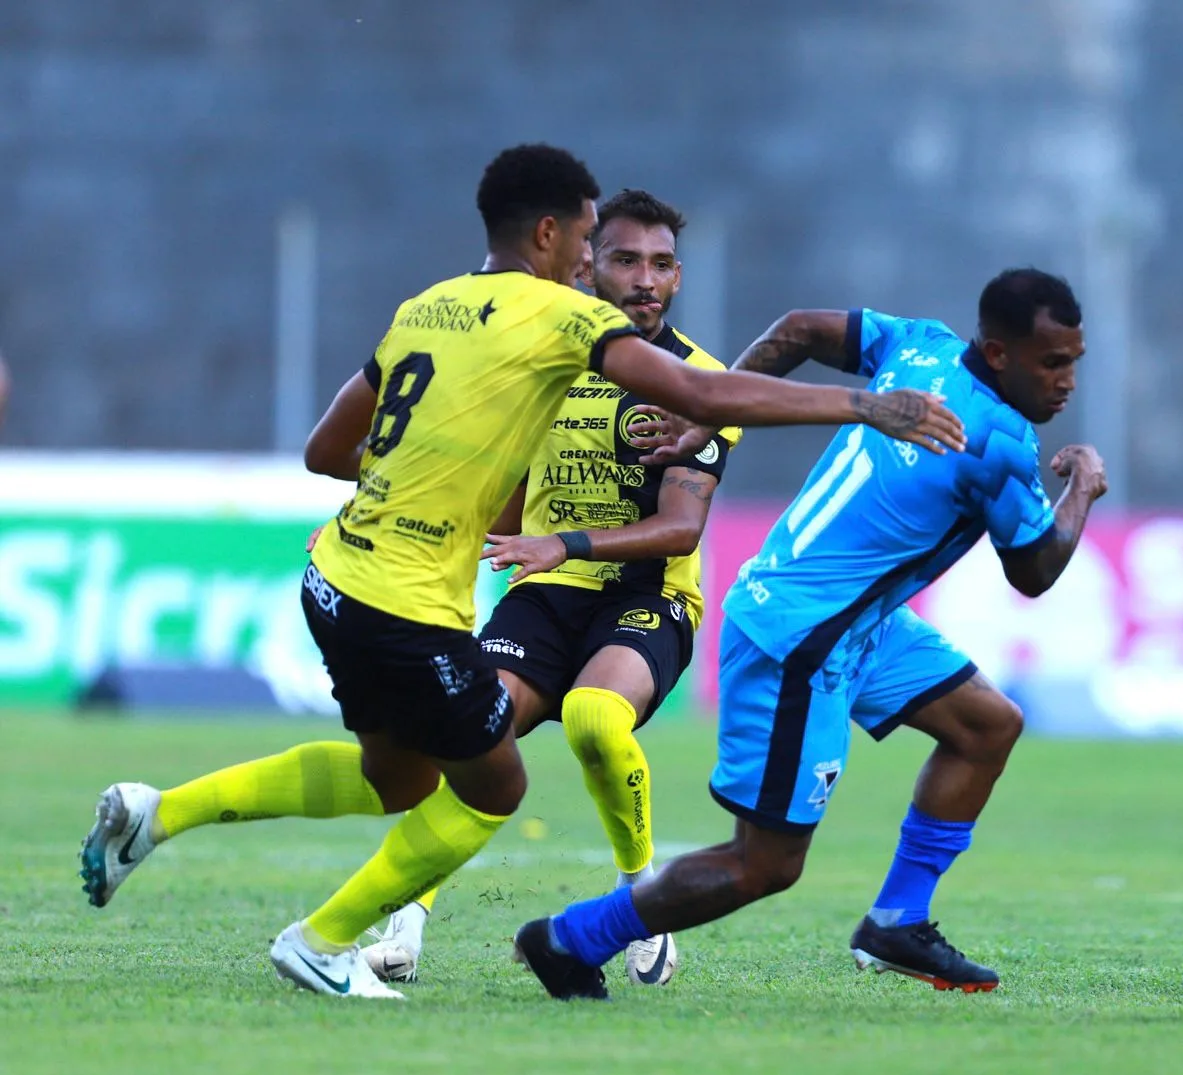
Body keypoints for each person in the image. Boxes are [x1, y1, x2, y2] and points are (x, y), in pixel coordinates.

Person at [77, 143, 963, 1001]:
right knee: (495, 783)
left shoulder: (427, 306)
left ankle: (158, 813)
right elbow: (704, 397)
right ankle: (324, 941)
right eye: (595, 247)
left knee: (402, 776)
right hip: (411, 603)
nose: (606, 269)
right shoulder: (569, 323)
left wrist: (440, 484)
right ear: (554, 238)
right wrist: (862, 403)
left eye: (652, 261)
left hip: (337, 573)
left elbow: (326, 450)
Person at [512, 268, 1109, 1001]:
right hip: (802, 638)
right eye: (1052, 362)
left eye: (1074, 360)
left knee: (987, 725)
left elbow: (798, 326)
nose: (1068, 381)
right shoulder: (1000, 445)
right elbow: (1037, 572)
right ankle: (569, 939)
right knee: (765, 865)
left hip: (855, 622)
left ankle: (898, 921)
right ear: (995, 353)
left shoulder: (920, 345)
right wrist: (1082, 484)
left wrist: (709, 420)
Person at [360, 188, 735, 988]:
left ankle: (643, 903)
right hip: (544, 592)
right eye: (626, 259)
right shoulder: (541, 362)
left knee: (597, 721)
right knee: (471, 734)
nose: (645, 279)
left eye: (663, 264)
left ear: (679, 278)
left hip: (646, 596)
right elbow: (496, 489)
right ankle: (403, 923)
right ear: (588, 264)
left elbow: (682, 529)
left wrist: (559, 541)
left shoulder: (698, 380)